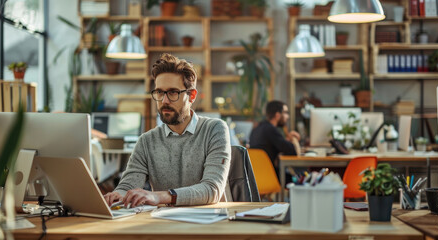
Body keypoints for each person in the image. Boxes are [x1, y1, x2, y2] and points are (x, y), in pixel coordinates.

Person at [104, 53, 231, 207]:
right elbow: (127, 187)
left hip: (209, 223)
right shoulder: (146, 141)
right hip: (164, 223)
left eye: (172, 93)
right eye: (159, 92)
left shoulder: (214, 130)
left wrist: (160, 196)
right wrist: (118, 195)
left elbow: (212, 190)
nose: (164, 101)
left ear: (191, 96)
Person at [249, 100, 300, 177]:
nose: (288, 117)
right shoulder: (270, 129)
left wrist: (287, 139)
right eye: (285, 113)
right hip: (270, 176)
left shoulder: (257, 128)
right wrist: (293, 138)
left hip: (258, 178)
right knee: (299, 176)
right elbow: (292, 151)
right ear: (277, 115)